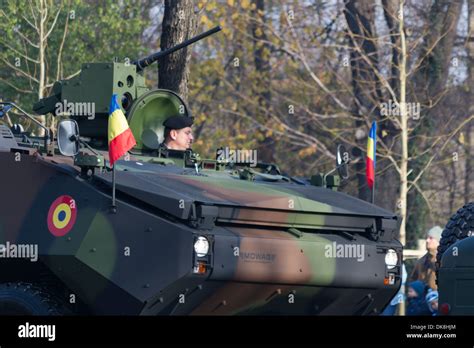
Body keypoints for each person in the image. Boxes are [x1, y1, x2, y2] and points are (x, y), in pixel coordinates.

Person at [410, 225, 443, 290]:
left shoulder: (445, 260)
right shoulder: (421, 261)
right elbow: (412, 281)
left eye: (431, 238)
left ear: (438, 241)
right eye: (427, 238)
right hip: (422, 299)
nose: (427, 240)